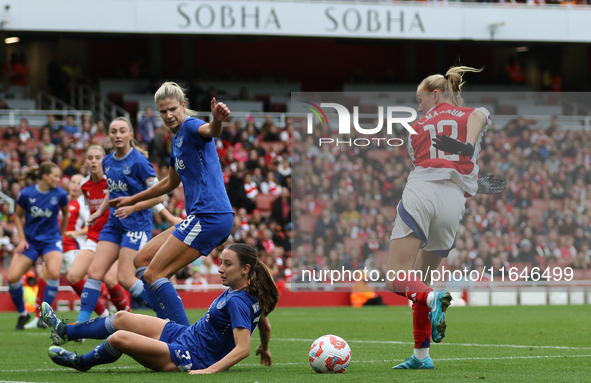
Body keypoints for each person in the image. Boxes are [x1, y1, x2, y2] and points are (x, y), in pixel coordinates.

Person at [385, 66, 504, 370]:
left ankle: (434, 299)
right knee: (421, 280)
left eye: (420, 99)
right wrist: (466, 150)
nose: (418, 105)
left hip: (423, 191)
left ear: (435, 94)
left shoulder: (416, 125)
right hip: (454, 202)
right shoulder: (476, 113)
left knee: (397, 277)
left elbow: (427, 158)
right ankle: (421, 357)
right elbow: (474, 128)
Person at [42, 243, 278, 374]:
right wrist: (265, 347)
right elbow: (264, 323)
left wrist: (210, 371)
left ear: (245, 269)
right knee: (123, 317)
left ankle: (80, 362)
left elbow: (242, 349)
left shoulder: (238, 300)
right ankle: (64, 331)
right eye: (221, 263)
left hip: (191, 357)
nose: (220, 269)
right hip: (186, 336)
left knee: (119, 338)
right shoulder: (246, 292)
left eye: (227, 264)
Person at [109, 82, 233, 326]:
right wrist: (133, 198)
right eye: (163, 111)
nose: (168, 115)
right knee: (142, 260)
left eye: (173, 109)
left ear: (183, 106)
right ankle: (168, 327)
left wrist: (217, 119)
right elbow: (169, 183)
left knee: (154, 273)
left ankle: (184, 339)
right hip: (200, 217)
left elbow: (211, 130)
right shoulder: (175, 143)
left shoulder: (190, 125)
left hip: (209, 216)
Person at [76, 117, 164, 323]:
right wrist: (100, 211)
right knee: (95, 272)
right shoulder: (107, 161)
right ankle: (80, 324)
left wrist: (133, 207)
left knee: (124, 278)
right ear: (109, 135)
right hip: (114, 224)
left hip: (137, 225)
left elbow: (159, 196)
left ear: (131, 135)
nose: (117, 135)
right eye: (113, 131)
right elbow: (113, 191)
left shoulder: (140, 162)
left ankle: (163, 309)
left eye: (122, 131)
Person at [68, 146, 131, 317]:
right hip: (94, 236)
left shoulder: (112, 180)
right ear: (86, 162)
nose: (94, 161)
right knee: (73, 276)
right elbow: (89, 210)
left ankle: (127, 317)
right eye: (90, 158)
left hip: (115, 236)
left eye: (97, 157)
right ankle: (103, 315)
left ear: (104, 160)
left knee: (110, 280)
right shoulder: (84, 185)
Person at [7, 162, 69, 330]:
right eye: (56, 176)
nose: (59, 179)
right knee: (12, 278)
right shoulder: (26, 194)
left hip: (51, 240)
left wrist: (60, 236)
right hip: (31, 241)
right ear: (45, 176)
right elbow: (18, 217)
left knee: (54, 273)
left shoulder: (61, 194)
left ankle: (44, 315)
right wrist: (22, 239)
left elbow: (66, 215)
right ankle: (23, 313)